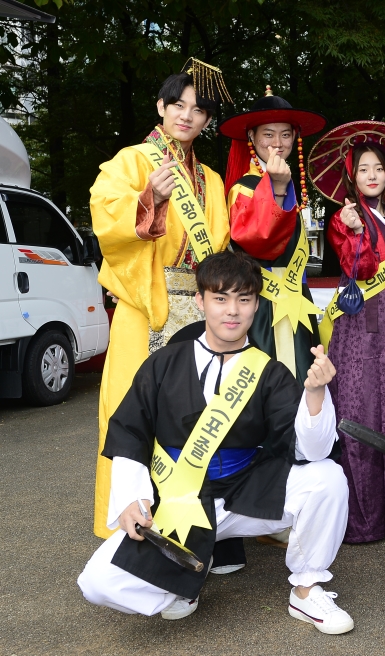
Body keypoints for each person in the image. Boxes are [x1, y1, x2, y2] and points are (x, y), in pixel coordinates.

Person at [77, 250, 354, 634]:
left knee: (327, 477)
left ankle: (307, 589)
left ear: (256, 305)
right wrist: (130, 497)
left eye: (243, 299)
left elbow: (312, 450)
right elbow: (129, 431)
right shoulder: (163, 363)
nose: (232, 311)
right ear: (200, 301)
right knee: (96, 584)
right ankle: (183, 580)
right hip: (177, 499)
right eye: (220, 298)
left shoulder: (270, 372)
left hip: (245, 491)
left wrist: (316, 395)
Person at [90, 63, 232, 539]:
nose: (187, 116)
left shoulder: (210, 179)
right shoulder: (132, 160)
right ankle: (130, 524)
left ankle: (190, 522)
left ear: (207, 120)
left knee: (198, 415)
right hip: (147, 305)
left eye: (199, 110)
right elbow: (105, 214)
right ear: (161, 107)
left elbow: (222, 245)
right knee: (135, 411)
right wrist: (148, 198)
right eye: (179, 106)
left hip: (199, 310)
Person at [325, 133, 385, 543]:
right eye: (363, 168)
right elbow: (360, 270)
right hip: (363, 329)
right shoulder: (345, 217)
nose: (372, 175)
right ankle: (364, 518)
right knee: (364, 412)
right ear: (352, 175)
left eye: (378, 168)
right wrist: (351, 233)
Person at [220, 85, 326, 379]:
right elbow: (259, 242)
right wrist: (277, 188)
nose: (278, 142)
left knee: (304, 377)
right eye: (268, 134)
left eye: (286, 134)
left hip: (296, 295)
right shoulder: (245, 187)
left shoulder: (288, 182)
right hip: (263, 301)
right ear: (251, 137)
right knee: (272, 381)